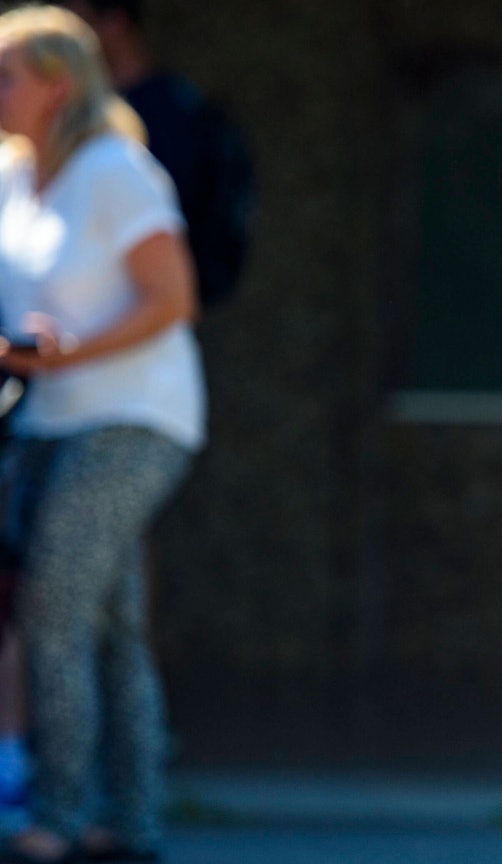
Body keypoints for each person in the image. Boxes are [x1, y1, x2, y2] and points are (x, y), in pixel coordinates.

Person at [0, 5, 205, 861]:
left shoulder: (116, 169)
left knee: (52, 611)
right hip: (49, 420)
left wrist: (72, 351)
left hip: (130, 422)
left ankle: (58, 815)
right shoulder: (14, 176)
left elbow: (171, 299)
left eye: (6, 74)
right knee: (110, 627)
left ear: (58, 83)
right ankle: (133, 821)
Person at [61, 0, 253, 309]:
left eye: (72, 24)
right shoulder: (88, 117)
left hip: (153, 319)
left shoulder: (174, 117)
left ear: (115, 21)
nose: (62, 43)